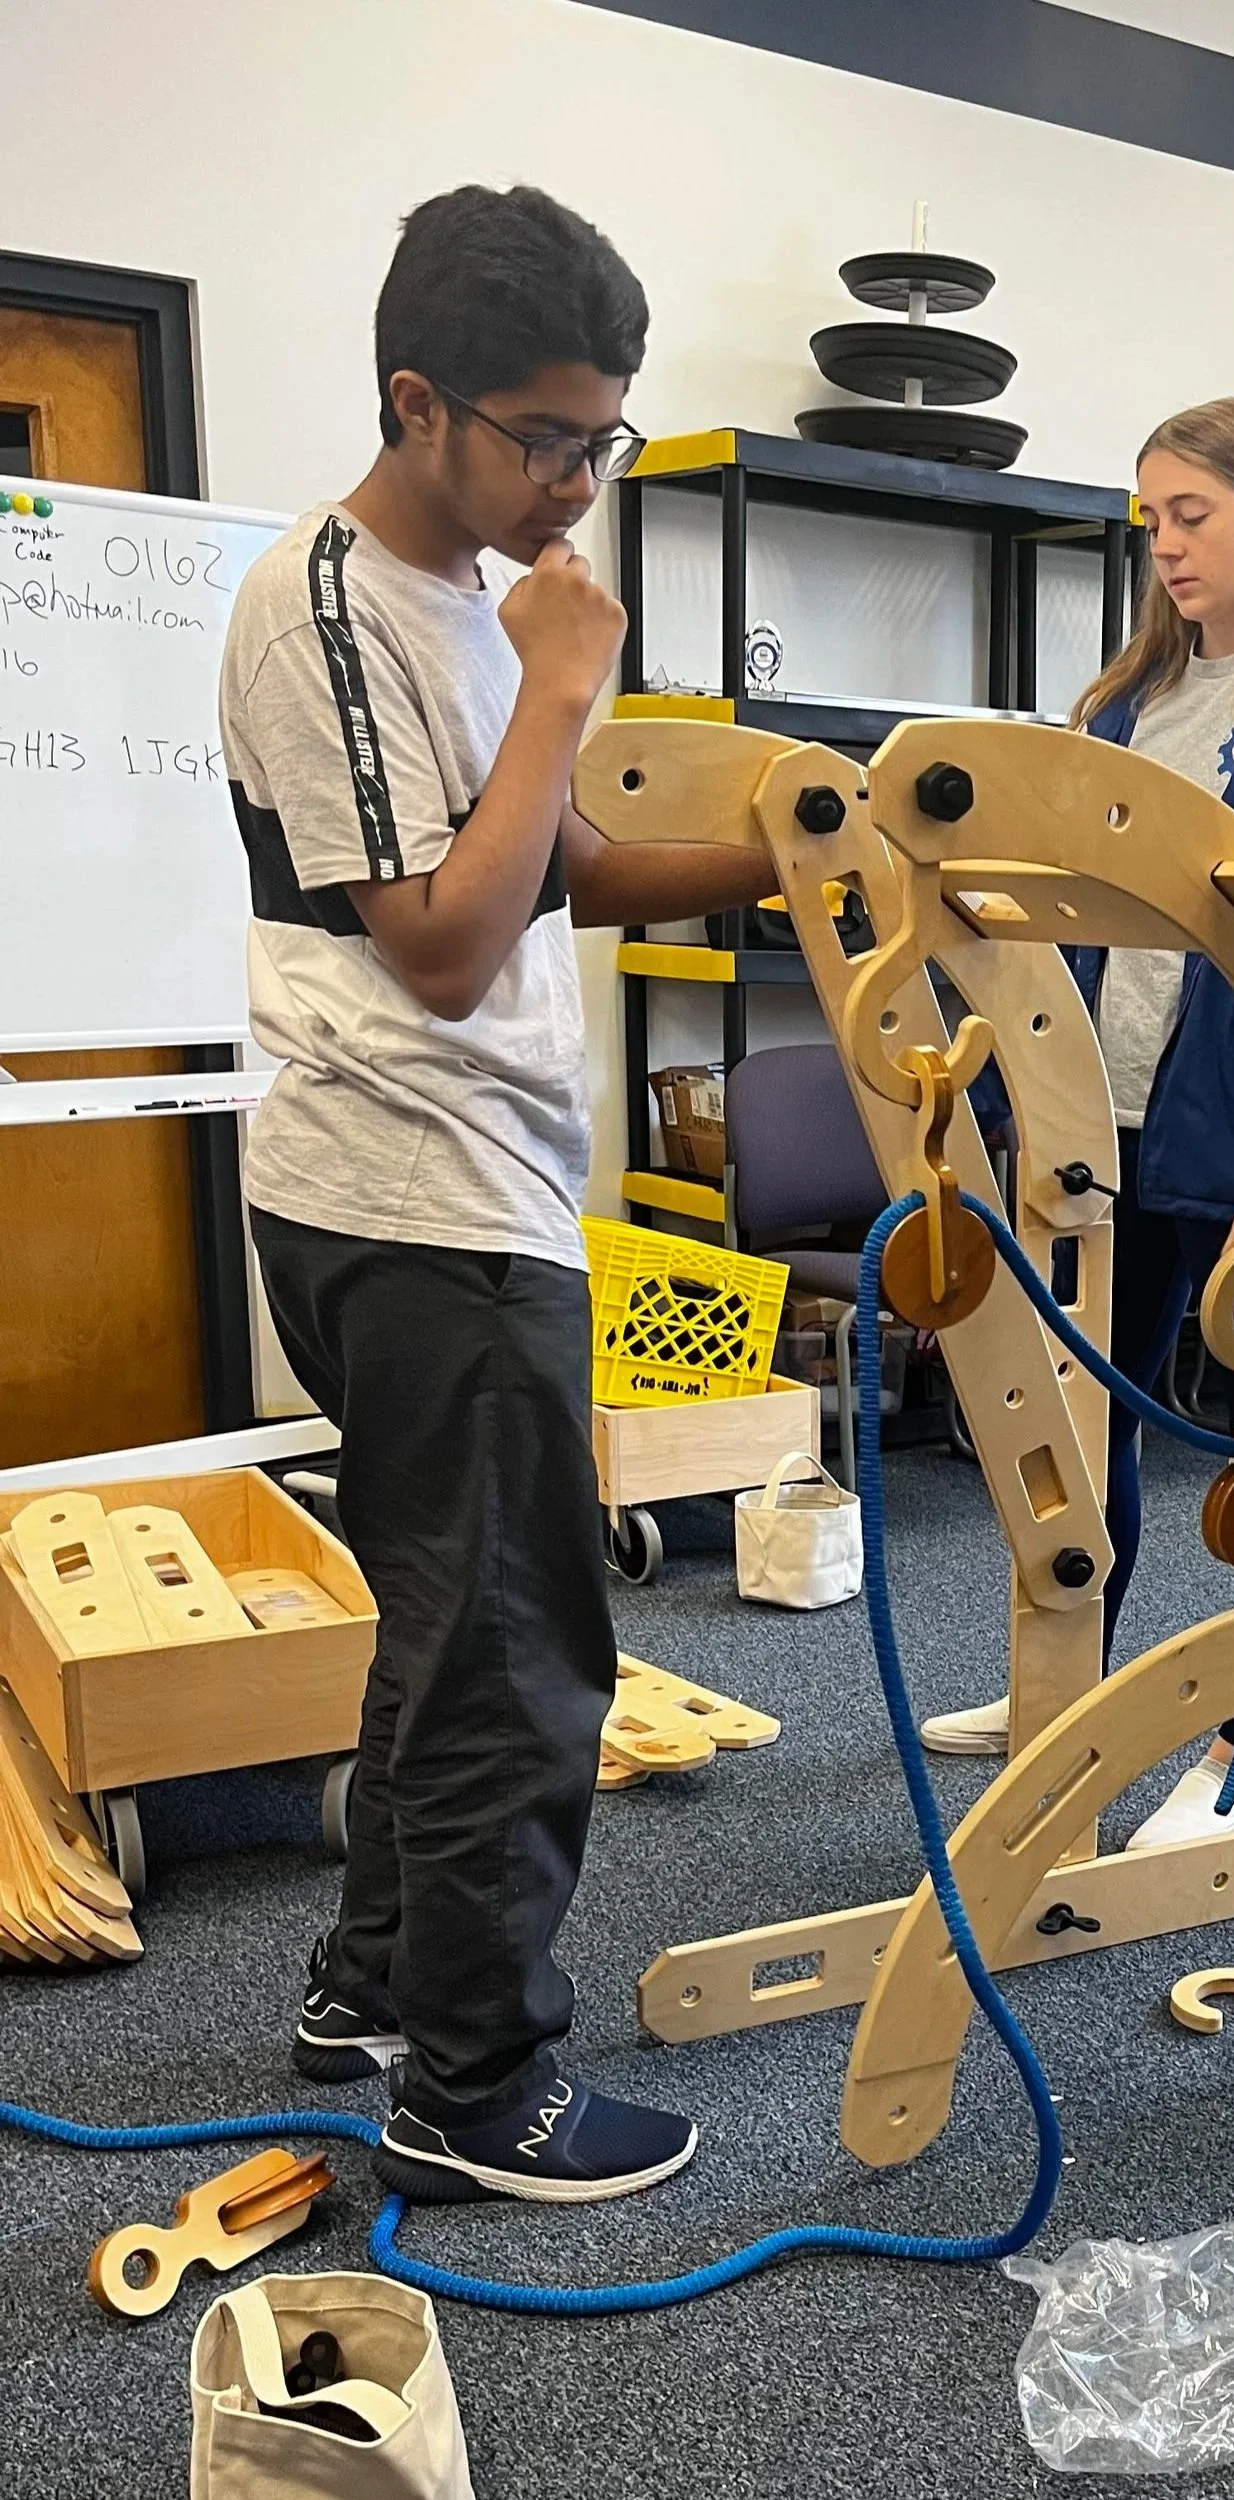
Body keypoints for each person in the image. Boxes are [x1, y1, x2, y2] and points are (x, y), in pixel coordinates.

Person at [228, 185, 779, 2204]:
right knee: (520, 1654)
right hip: (412, 1195)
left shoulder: (472, 591)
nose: (574, 483)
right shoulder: (324, 606)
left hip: (470, 1185)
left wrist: (795, 847)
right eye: (544, 439)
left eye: (600, 440)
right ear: (417, 402)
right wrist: (566, 675)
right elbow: (444, 945)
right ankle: (477, 2092)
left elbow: (543, 867)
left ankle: (368, 1988)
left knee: (443, 1629)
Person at [917, 398, 1234, 1848]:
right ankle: (1068, 1689)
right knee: (1084, 1420)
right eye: (1149, 521)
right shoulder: (1126, 706)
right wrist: (1023, 1103)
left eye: (1191, 514)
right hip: (1113, 1123)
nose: (1166, 546)